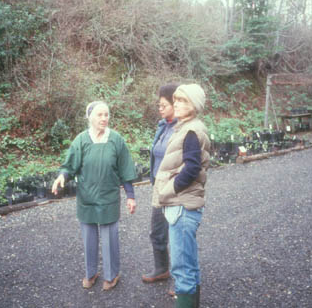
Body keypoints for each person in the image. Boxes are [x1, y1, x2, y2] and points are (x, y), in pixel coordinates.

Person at [52, 101, 137, 291]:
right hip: (87, 199)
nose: (104, 118)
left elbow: (126, 169)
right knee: (89, 239)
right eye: (99, 115)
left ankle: (111, 275)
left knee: (110, 239)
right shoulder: (81, 140)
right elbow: (69, 166)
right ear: (90, 117)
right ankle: (91, 274)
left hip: (108, 198)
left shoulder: (116, 140)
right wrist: (61, 177)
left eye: (106, 115)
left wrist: (130, 196)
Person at [152, 84, 210, 308]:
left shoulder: (191, 131)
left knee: (182, 268)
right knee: (190, 264)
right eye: (176, 99)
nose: (176, 103)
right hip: (185, 206)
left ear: (194, 105)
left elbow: (192, 168)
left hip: (182, 206)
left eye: (183, 100)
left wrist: (168, 190)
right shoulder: (185, 128)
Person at [142, 84, 178, 285]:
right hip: (159, 187)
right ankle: (162, 268)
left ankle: (182, 282)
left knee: (177, 234)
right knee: (157, 230)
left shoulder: (182, 128)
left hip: (174, 188)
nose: (160, 108)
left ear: (176, 104)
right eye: (159, 105)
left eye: (164, 105)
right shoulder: (162, 125)